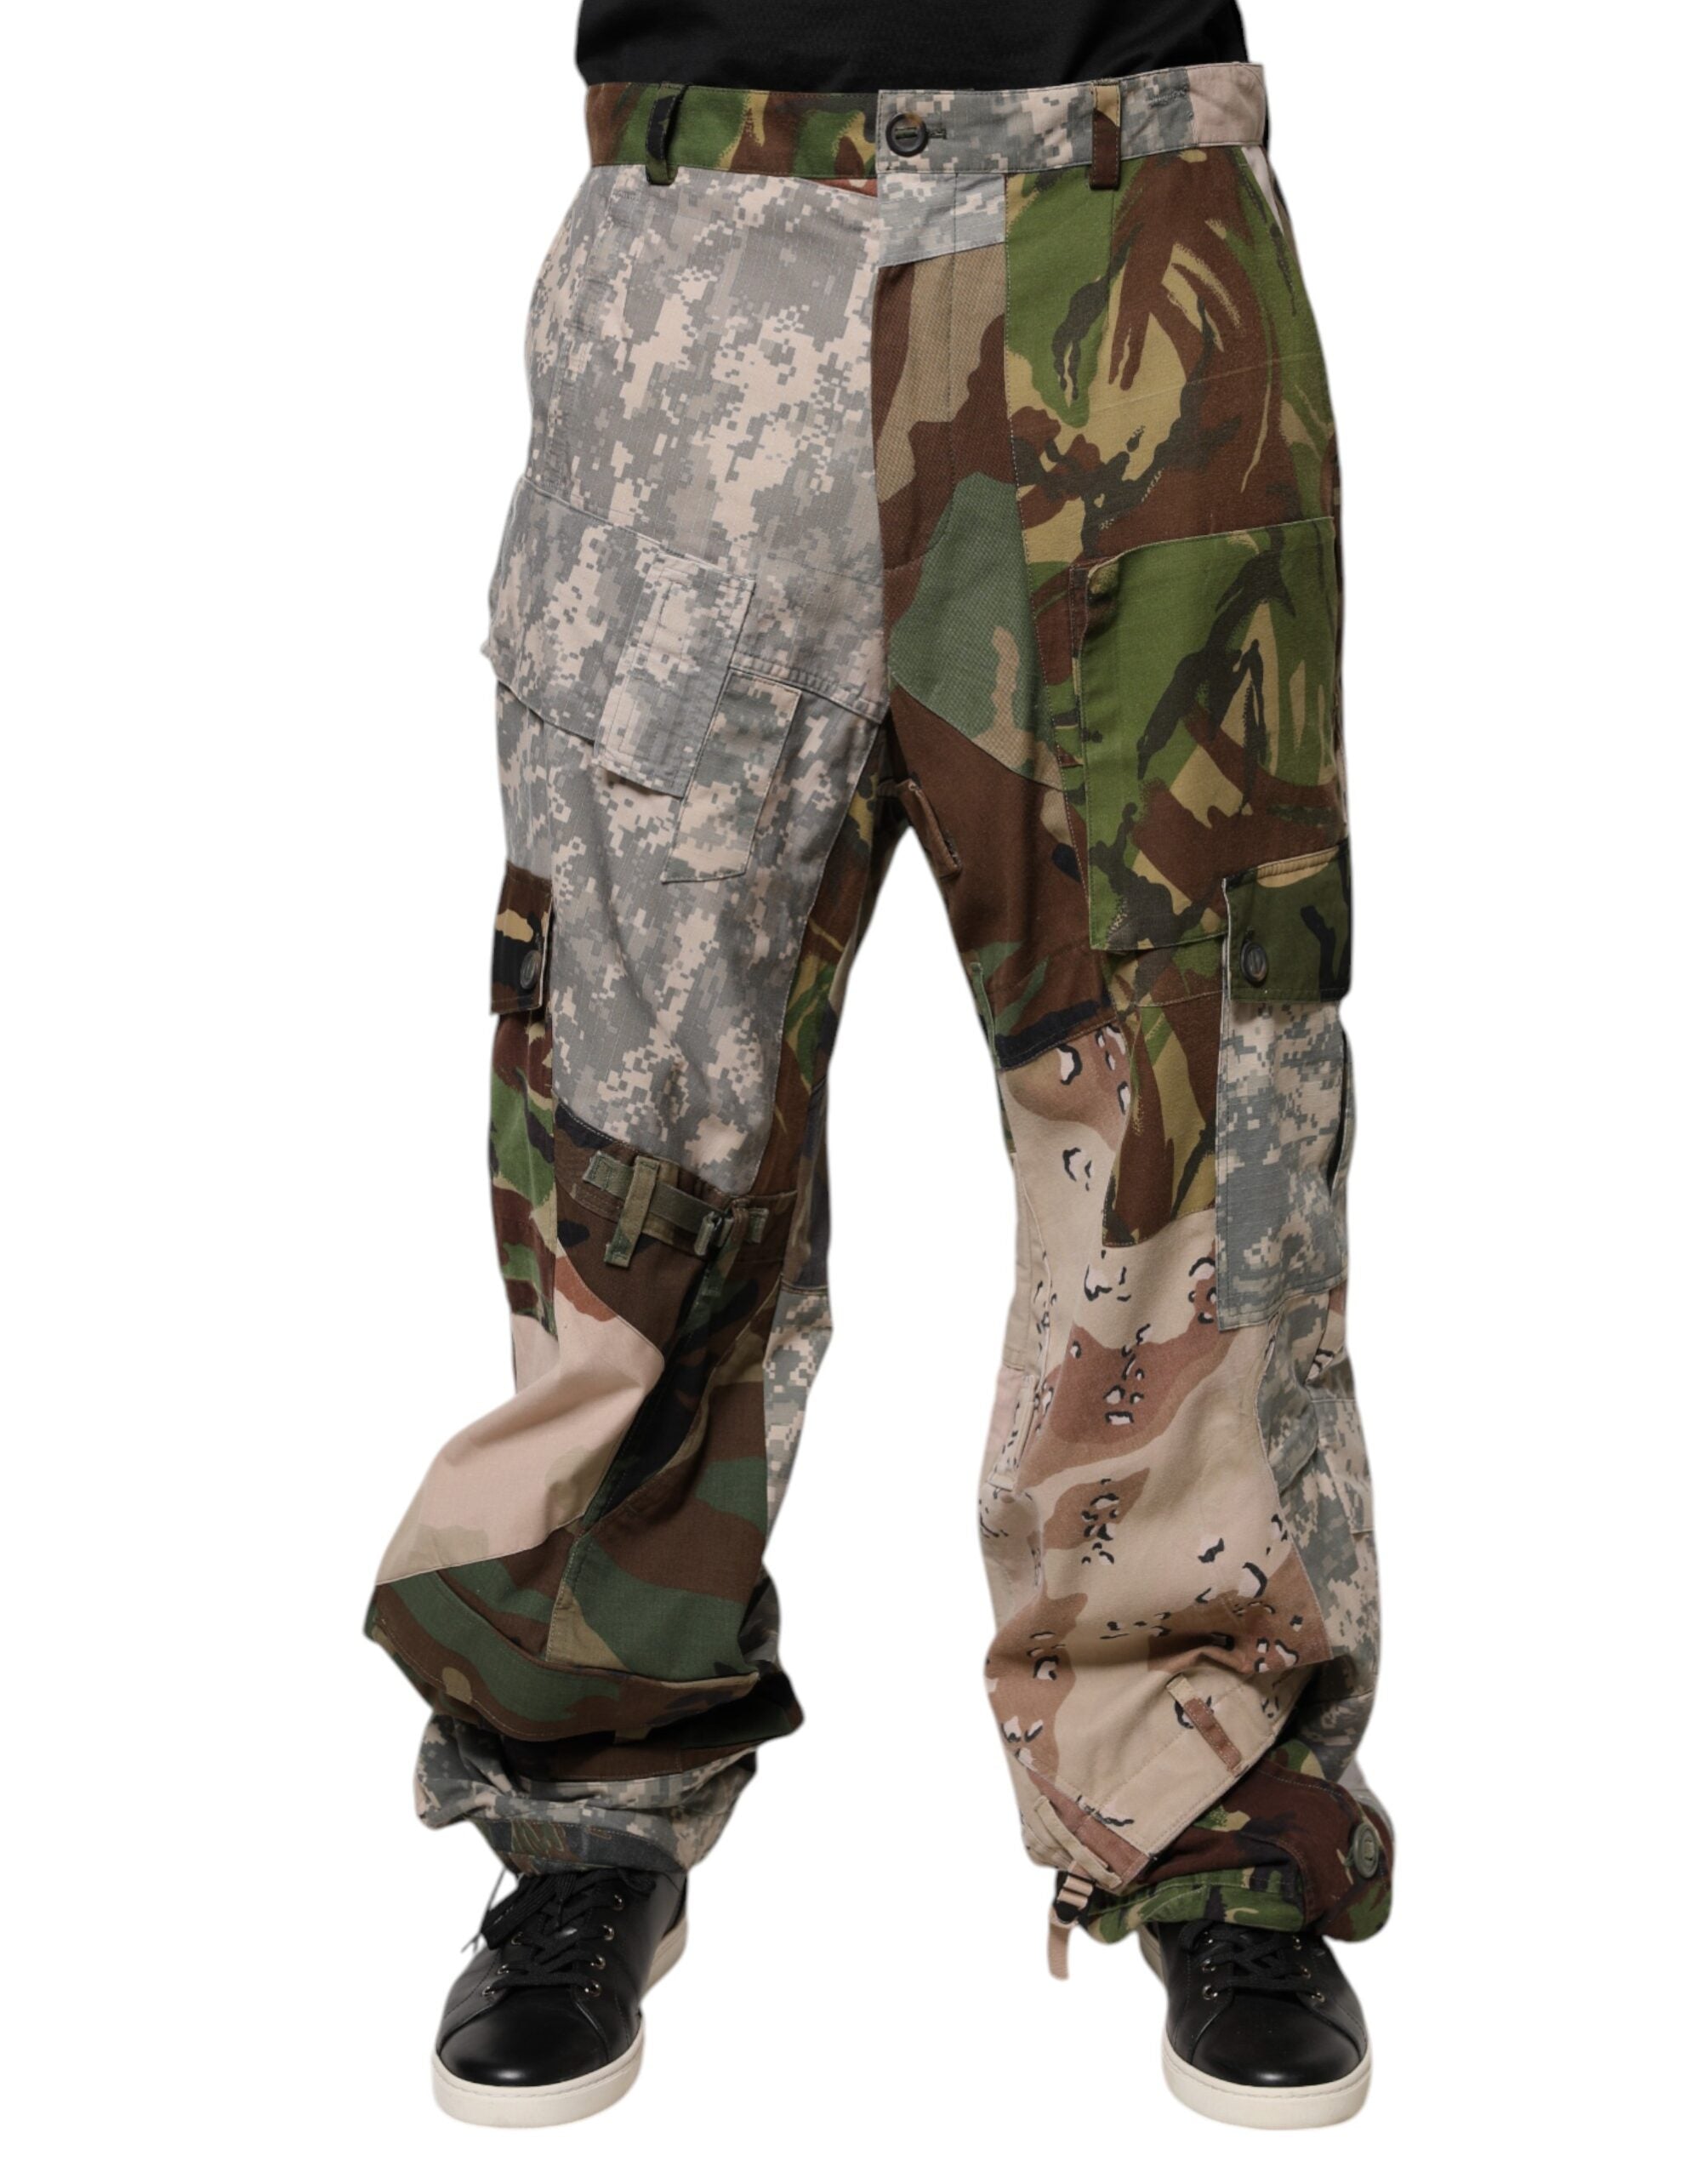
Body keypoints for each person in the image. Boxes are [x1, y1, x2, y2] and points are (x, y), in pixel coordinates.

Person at [368, 0, 1392, 2131]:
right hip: (704, 245)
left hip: (1127, 230)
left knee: (1199, 1097)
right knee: (642, 1091)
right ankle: (586, 1797)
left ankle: (1210, 1805)